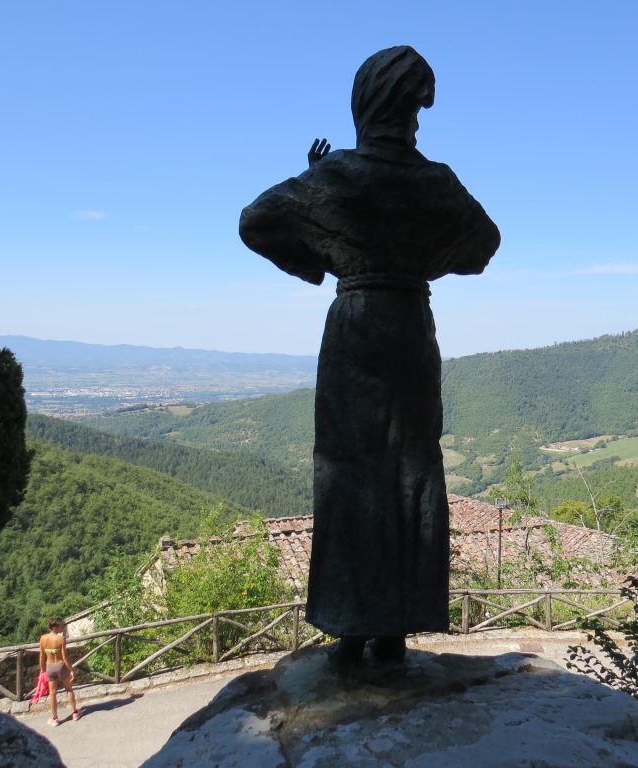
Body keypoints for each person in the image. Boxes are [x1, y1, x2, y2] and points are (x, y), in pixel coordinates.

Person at [240, 46, 500, 664]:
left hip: (355, 325)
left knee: (348, 469)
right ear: (415, 106)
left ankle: (350, 626)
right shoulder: (435, 181)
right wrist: (420, 262)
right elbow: (482, 244)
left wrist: (320, 257)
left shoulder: (335, 176)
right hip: (411, 325)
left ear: (363, 103)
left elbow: (257, 222)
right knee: (410, 465)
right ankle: (394, 629)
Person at [38, 617, 82, 725]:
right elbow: (65, 657)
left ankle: (54, 718)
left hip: (50, 667)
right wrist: (71, 669)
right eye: (62, 625)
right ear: (56, 628)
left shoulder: (43, 638)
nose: (64, 627)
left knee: (52, 693)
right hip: (61, 666)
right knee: (69, 689)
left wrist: (42, 669)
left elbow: (41, 656)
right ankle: (75, 713)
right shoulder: (61, 639)